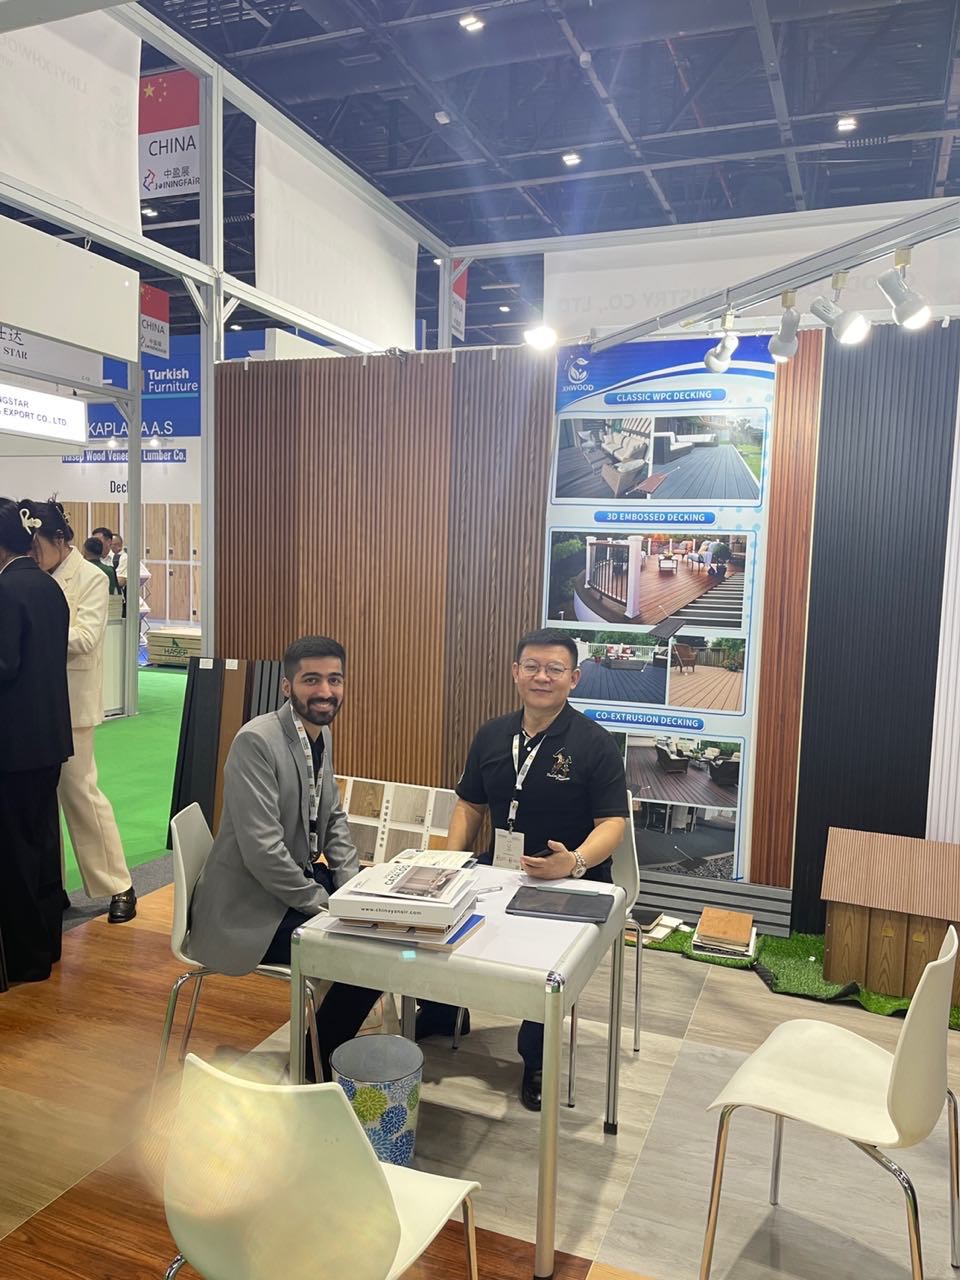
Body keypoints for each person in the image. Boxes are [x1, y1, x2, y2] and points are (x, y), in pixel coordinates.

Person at [417, 626, 629, 1111]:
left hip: (573, 877)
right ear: (515, 673)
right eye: (532, 666)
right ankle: (445, 1012)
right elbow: (469, 805)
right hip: (500, 868)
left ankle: (536, 1057)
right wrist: (452, 863)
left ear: (574, 678)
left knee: (545, 962)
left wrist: (571, 862)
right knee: (442, 923)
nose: (542, 677)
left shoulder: (595, 744)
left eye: (555, 669)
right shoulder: (492, 734)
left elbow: (612, 824)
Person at [188, 634, 381, 1080]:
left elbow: (332, 818)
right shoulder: (256, 741)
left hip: (291, 883)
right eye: (311, 679)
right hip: (246, 907)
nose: (325, 691)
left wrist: (353, 888)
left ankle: (327, 1053)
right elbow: (264, 853)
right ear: (286, 685)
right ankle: (313, 1074)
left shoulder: (319, 733)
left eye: (335, 679)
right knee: (367, 959)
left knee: (383, 925)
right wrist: (328, 904)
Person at [27, 501, 137, 923]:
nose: (34, 555)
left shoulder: (90, 577)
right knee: (37, 800)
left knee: (80, 794)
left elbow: (87, 638)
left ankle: (118, 884)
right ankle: (50, 887)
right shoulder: (30, 576)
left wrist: (33, 630)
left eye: (38, 546)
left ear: (59, 540)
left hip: (72, 704)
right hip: (33, 702)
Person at [0, 500, 73, 981]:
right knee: (42, 843)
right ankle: (47, 944)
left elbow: (4, 666)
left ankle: (25, 959)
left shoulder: (7, 590)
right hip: (48, 737)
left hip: (13, 743)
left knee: (15, 851)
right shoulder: (49, 587)